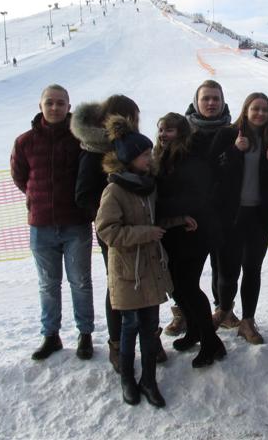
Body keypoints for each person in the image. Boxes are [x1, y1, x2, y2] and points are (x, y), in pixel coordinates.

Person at [95, 120, 191, 408]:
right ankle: (128, 379)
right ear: (129, 159)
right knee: (130, 325)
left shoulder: (149, 186)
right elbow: (107, 231)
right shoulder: (114, 190)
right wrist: (145, 234)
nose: (150, 159)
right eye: (144, 155)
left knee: (150, 326)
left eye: (149, 153)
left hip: (150, 268)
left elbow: (155, 219)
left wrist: (179, 220)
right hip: (128, 271)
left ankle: (149, 380)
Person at [71, 95, 166, 373]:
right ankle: (116, 343)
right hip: (115, 231)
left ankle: (151, 337)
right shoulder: (94, 149)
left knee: (148, 279)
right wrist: (111, 213)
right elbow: (83, 194)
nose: (136, 122)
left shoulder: (133, 146)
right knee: (120, 284)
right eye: (132, 117)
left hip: (144, 226)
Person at [10, 84, 95, 361]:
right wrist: (38, 198)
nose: (55, 107)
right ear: (41, 106)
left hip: (76, 224)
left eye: (61, 103)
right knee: (48, 284)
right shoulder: (25, 142)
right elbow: (20, 177)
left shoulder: (80, 139)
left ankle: (85, 334)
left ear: (69, 107)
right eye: (50, 102)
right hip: (41, 225)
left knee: (80, 282)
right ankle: (51, 335)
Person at [154, 113, 227, 368]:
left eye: (169, 130)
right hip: (175, 233)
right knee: (176, 288)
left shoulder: (191, 159)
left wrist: (159, 208)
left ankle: (211, 342)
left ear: (182, 133)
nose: (163, 134)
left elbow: (196, 197)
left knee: (188, 287)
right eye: (161, 129)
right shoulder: (161, 157)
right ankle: (195, 330)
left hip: (196, 232)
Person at [210, 93, 268, 344]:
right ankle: (223, 310)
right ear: (246, 109)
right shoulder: (228, 134)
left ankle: (248, 321)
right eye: (255, 108)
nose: (260, 113)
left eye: (265, 110)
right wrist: (234, 151)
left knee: (252, 269)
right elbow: (213, 169)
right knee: (228, 270)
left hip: (258, 215)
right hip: (231, 215)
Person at [184, 80, 237, 327]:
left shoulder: (234, 132)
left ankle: (224, 310)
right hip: (192, 214)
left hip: (225, 211)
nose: (211, 103)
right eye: (206, 98)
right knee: (187, 268)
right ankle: (183, 311)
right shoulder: (183, 132)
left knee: (224, 267)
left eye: (216, 98)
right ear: (197, 102)